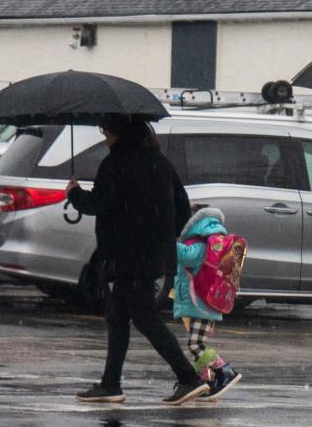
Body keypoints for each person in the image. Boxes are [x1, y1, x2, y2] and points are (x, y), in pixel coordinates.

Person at [67, 114, 209, 406]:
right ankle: (110, 384)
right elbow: (182, 206)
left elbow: (99, 203)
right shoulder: (159, 162)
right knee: (117, 315)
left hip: (126, 253)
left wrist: (74, 194)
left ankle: (188, 378)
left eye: (105, 131)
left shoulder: (117, 163)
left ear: (116, 132)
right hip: (151, 251)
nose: (104, 137)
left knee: (144, 316)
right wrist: (162, 232)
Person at [173, 205, 242, 401]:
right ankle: (207, 382)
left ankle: (225, 370)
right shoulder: (211, 240)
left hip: (201, 302)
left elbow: (185, 255)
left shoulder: (201, 242)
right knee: (196, 344)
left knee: (196, 345)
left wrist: (166, 242)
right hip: (205, 300)